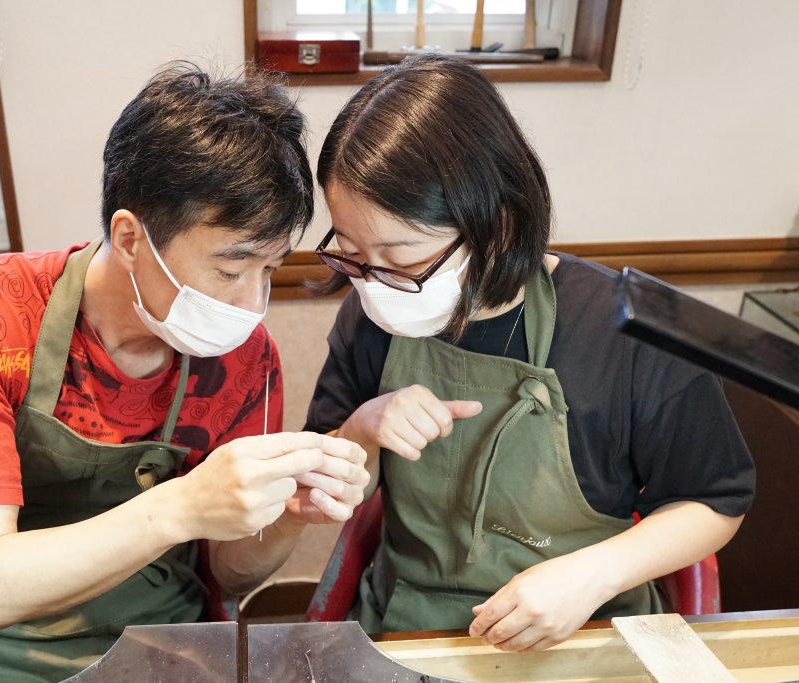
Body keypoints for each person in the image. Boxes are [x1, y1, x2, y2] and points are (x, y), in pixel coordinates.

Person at [0, 64, 368, 682]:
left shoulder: (247, 359)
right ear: (129, 238)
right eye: (230, 270)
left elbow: (228, 576)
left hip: (159, 639)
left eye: (270, 270)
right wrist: (181, 506)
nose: (252, 304)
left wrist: (287, 513)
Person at [304, 54, 754, 652]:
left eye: (403, 258)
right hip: (412, 622)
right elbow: (321, 489)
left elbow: (715, 499)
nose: (376, 283)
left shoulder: (632, 336)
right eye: (354, 254)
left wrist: (592, 575)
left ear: (499, 221)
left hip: (586, 626)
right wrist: (361, 431)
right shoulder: (369, 318)